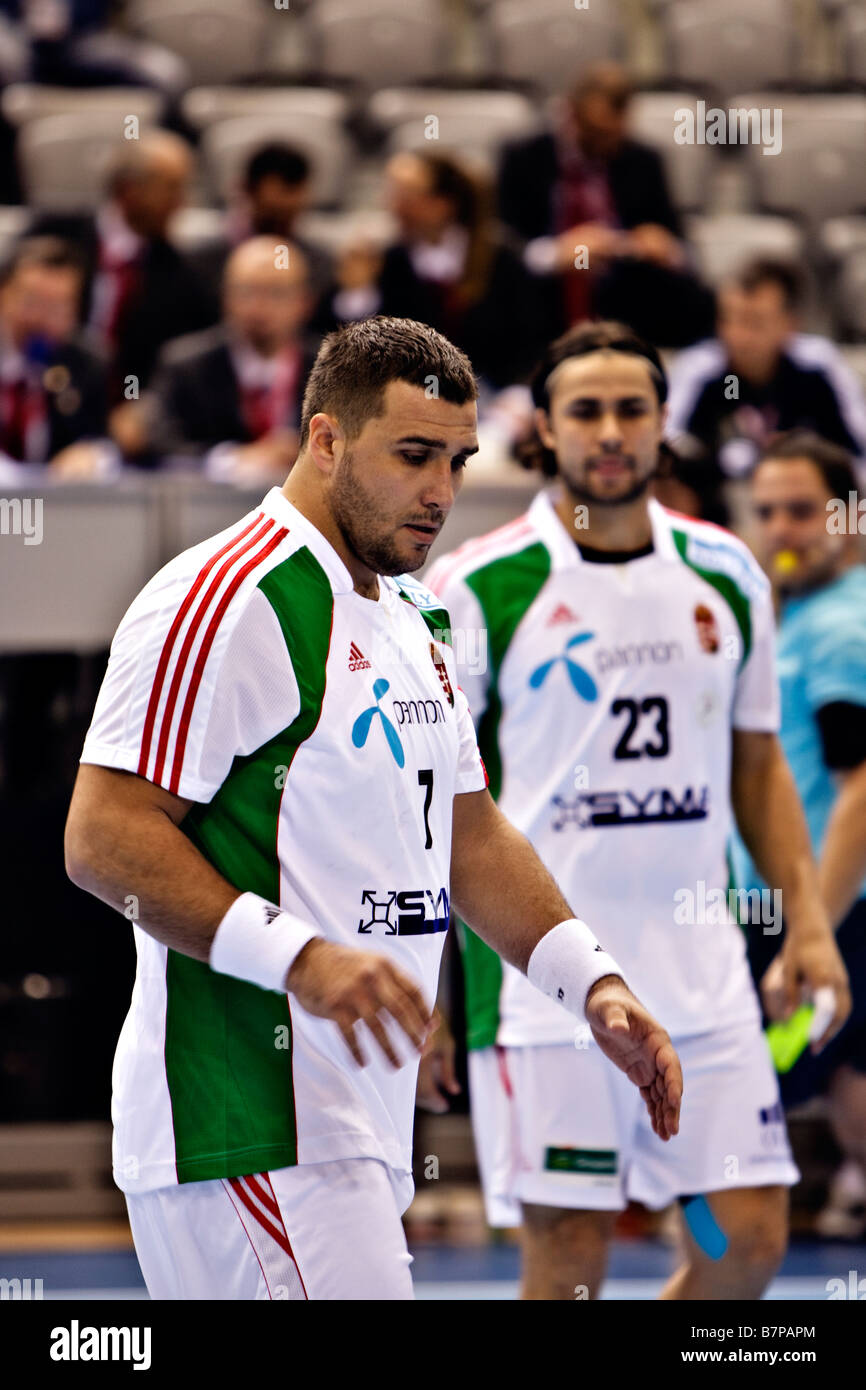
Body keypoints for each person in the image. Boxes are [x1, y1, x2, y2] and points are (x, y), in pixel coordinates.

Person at [63, 317, 682, 1301]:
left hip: (350, 1122)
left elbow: (469, 830)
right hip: (248, 1120)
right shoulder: (230, 597)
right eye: (411, 455)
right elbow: (103, 838)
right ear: (324, 440)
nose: (441, 490)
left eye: (456, 458)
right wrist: (300, 958)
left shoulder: (414, 612)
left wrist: (589, 981)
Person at [425, 321, 850, 1300]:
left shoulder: (725, 572)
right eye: (585, 410)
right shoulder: (476, 587)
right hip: (543, 990)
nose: (608, 431)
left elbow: (757, 770)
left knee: (743, 1244)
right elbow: (439, 809)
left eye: (630, 409)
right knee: (570, 1265)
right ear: (541, 428)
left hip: (702, 979)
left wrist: (807, 925)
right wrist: (436, 991)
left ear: (663, 424)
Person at [740, 430, 866, 1239]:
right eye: (766, 513)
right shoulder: (799, 616)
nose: (782, 531)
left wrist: (812, 926)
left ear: (851, 518)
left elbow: (862, 784)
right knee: (843, 1075)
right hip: (789, 906)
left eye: (801, 512)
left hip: (823, 906)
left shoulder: (842, 627)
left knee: (806, 1080)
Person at [497, 63, 713, 349]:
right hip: (544, 297)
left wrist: (664, 248)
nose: (608, 144)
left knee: (697, 297)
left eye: (616, 134)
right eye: (597, 132)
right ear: (571, 115)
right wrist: (556, 253)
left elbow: (679, 244)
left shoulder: (642, 160)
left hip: (623, 289)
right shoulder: (525, 157)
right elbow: (502, 244)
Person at [324, 151, 545, 392]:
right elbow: (354, 347)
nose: (394, 207)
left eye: (407, 197)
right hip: (406, 395)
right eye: (392, 194)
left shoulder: (499, 259)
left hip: (491, 392)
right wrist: (359, 291)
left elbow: (527, 341)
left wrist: (517, 397)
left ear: (443, 204)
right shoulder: (387, 261)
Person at [30, 130, 216, 403]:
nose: (181, 203)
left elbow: (188, 363)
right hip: (41, 389)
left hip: (129, 407)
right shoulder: (54, 233)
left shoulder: (184, 277)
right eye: (170, 188)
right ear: (129, 190)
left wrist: (144, 412)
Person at [666, 259, 866, 480]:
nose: (737, 335)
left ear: (791, 324)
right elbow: (671, 448)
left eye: (754, 322)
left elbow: (859, 451)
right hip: (722, 502)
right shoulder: (711, 373)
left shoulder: (818, 367)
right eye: (727, 319)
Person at [148, 236, 319, 483]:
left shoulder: (329, 367)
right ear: (225, 297)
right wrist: (231, 460)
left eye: (276, 293)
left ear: (304, 302)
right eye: (246, 292)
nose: (259, 307)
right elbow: (158, 448)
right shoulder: (185, 366)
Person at [0, 236, 113, 479]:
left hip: (48, 507)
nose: (41, 319)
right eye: (32, 301)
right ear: (4, 295)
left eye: (58, 307)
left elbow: (102, 439)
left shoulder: (86, 364)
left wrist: (90, 453)